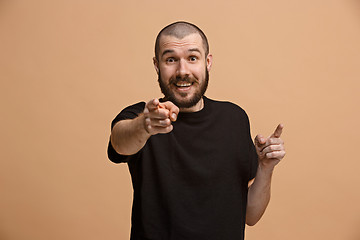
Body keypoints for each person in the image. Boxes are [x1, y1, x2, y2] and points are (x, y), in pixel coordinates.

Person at [107, 21, 285, 240]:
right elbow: (119, 141)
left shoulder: (234, 119)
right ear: (157, 65)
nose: (183, 71)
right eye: (171, 59)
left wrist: (265, 168)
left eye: (192, 58)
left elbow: (251, 214)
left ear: (207, 62)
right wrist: (145, 125)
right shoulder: (142, 116)